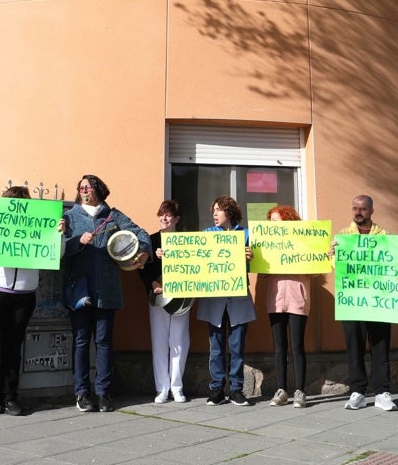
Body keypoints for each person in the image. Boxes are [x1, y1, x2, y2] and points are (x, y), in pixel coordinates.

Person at [0, 185, 65, 419]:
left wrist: (59, 234)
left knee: (13, 347)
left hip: (24, 295)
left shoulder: (39, 222)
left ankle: (8, 398)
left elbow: (57, 254)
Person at [62, 174, 151, 413]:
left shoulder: (113, 216)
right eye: (80, 187)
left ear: (99, 190)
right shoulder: (69, 217)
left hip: (107, 290)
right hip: (78, 290)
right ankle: (81, 393)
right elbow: (57, 249)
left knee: (103, 342)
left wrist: (143, 252)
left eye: (88, 186)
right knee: (81, 341)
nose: (83, 190)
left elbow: (141, 234)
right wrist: (76, 242)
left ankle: (104, 392)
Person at [332, 195, 398, 411]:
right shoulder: (343, 237)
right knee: (354, 347)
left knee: (380, 346)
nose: (358, 212)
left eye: (363, 209)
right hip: (352, 301)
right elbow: (336, 266)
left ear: (371, 211)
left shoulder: (384, 237)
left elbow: (397, 262)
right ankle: (357, 391)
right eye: (355, 208)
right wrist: (333, 254)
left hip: (380, 301)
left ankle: (382, 392)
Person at [196, 196, 256, 407]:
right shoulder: (207, 235)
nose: (214, 214)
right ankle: (216, 389)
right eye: (213, 210)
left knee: (237, 346)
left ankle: (237, 390)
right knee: (216, 346)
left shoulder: (246, 235)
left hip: (238, 298)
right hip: (215, 299)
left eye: (218, 210)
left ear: (229, 213)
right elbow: (196, 259)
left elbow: (257, 264)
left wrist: (251, 257)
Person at [138, 199, 192, 404]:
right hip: (158, 297)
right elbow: (141, 267)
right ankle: (162, 388)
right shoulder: (150, 241)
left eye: (168, 215)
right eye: (161, 214)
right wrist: (152, 283)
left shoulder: (185, 241)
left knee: (179, 342)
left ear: (176, 218)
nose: (164, 218)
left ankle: (177, 387)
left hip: (181, 297)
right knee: (159, 342)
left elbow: (195, 266)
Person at [263, 205, 311, 409]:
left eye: (277, 221)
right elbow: (262, 270)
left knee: (297, 346)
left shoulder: (305, 242)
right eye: (271, 222)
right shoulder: (267, 244)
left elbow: (316, 263)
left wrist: (326, 253)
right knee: (279, 348)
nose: (273, 225)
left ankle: (300, 391)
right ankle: (281, 390)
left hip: (297, 298)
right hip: (275, 299)